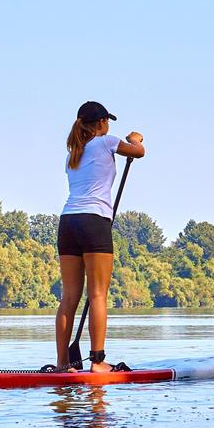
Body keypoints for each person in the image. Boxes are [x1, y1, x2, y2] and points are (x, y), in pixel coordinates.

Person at [52, 101, 145, 372]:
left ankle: (62, 364)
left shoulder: (73, 153)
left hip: (68, 222)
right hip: (94, 221)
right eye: (107, 122)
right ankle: (97, 363)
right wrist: (134, 138)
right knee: (98, 295)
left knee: (69, 296)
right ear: (102, 123)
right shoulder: (106, 142)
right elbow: (139, 151)